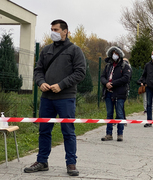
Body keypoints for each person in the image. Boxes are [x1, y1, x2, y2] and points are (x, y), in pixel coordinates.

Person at [26, 19, 86, 176]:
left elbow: (80, 72)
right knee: (44, 131)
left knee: (68, 131)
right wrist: (41, 82)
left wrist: (62, 84)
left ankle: (71, 164)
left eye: (56, 29)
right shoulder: (46, 50)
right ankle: (42, 161)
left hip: (65, 98)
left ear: (65, 31)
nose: (53, 32)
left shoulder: (75, 50)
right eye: (51, 29)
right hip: (47, 98)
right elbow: (38, 70)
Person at [100, 46, 131, 142]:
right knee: (109, 114)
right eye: (113, 53)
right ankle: (108, 134)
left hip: (120, 93)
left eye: (116, 53)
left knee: (120, 114)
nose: (114, 55)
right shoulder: (108, 66)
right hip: (108, 93)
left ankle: (120, 134)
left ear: (119, 55)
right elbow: (102, 77)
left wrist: (113, 84)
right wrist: (106, 83)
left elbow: (126, 78)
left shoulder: (124, 66)